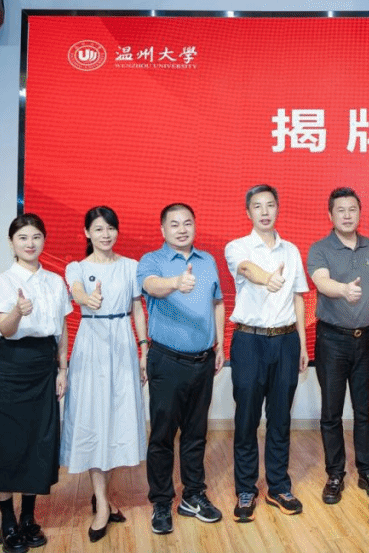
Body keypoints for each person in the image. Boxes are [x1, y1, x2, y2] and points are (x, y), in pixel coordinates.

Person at [60, 206, 147, 542]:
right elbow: (77, 291)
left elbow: (137, 307)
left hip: (122, 343)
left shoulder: (131, 266)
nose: (105, 234)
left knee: (116, 420)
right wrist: (88, 298)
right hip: (92, 343)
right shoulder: (77, 267)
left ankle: (103, 497)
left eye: (110, 228)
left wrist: (143, 347)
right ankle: (101, 505)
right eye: (98, 229)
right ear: (87, 233)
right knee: (94, 420)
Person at [137, 203, 225, 534]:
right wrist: (176, 282)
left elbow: (218, 302)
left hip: (203, 361)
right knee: (162, 436)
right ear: (163, 230)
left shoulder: (208, 261)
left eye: (187, 223)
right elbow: (151, 287)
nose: (182, 229)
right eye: (174, 224)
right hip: (167, 361)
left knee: (196, 434)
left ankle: (193, 495)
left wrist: (220, 344)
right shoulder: (152, 261)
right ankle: (161, 501)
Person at [0, 213, 71, 553]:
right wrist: (18, 311)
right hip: (9, 366)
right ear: (12, 243)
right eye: (22, 237)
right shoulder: (2, 282)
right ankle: (7, 522)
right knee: (6, 443)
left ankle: (29, 518)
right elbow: (4, 331)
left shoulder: (55, 281)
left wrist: (62, 370)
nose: (30, 243)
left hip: (44, 365)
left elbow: (61, 330)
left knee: (39, 441)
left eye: (36, 236)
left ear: (44, 240)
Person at [224, 184, 309, 522]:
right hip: (249, 342)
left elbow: (299, 297)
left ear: (277, 209)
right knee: (246, 418)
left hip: (286, 342)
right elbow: (246, 269)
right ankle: (246, 489)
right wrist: (267, 279)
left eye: (270, 205)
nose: (264, 211)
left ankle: (278, 486)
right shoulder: (237, 247)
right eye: (257, 206)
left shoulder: (292, 251)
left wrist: (302, 343)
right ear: (248, 212)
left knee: (280, 418)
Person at [307, 187, 369, 505]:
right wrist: (343, 290)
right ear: (330, 215)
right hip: (332, 340)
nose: (346, 215)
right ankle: (335, 474)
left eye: (352, 209)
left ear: (359, 213)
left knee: (364, 411)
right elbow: (321, 281)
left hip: (365, 339)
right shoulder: (320, 249)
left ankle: (367, 471)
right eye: (340, 210)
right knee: (331, 412)